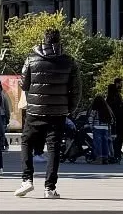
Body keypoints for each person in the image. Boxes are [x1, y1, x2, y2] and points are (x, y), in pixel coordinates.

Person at [17, 26, 81, 198]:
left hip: (35, 111)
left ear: (43, 40)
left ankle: (27, 180)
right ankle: (49, 188)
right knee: (54, 148)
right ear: (59, 41)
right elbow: (76, 90)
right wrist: (69, 109)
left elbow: (24, 84)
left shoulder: (31, 59)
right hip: (58, 113)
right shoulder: (69, 61)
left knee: (26, 142)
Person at [106, 77, 123, 162]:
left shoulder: (116, 94)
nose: (121, 85)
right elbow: (117, 106)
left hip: (118, 117)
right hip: (117, 118)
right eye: (120, 83)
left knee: (119, 135)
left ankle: (117, 150)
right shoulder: (113, 94)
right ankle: (116, 151)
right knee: (118, 135)